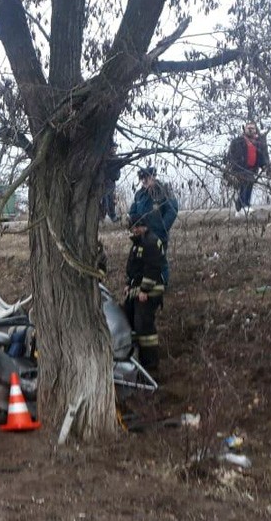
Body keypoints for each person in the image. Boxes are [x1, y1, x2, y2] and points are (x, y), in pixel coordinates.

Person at [123, 213, 166, 371]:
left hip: (148, 293)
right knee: (130, 323)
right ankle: (135, 360)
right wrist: (129, 284)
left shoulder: (151, 242)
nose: (133, 231)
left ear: (141, 226)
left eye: (134, 228)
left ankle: (150, 365)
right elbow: (134, 268)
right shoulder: (139, 243)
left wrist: (144, 290)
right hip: (137, 292)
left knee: (144, 329)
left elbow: (152, 269)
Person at [127, 166, 178, 284]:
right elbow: (133, 211)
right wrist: (134, 225)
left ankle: (162, 284)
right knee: (143, 260)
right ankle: (146, 284)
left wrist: (162, 228)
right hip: (142, 235)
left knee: (159, 261)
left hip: (158, 234)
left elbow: (172, 210)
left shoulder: (163, 191)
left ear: (153, 177)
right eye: (142, 178)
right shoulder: (139, 194)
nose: (144, 180)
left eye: (146, 177)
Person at [227, 121, 269, 217]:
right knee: (244, 185)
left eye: (252, 128)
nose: (250, 130)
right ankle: (243, 206)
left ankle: (242, 207)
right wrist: (235, 166)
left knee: (249, 185)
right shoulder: (237, 141)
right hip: (240, 168)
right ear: (245, 129)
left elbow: (261, 156)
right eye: (248, 128)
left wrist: (264, 166)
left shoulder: (257, 143)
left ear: (255, 130)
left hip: (252, 169)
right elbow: (230, 155)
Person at [100, 141, 127, 222]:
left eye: (115, 148)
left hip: (111, 182)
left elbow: (118, 168)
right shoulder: (106, 158)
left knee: (110, 199)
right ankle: (106, 217)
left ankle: (111, 217)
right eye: (113, 148)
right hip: (106, 181)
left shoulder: (116, 158)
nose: (115, 150)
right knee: (106, 199)